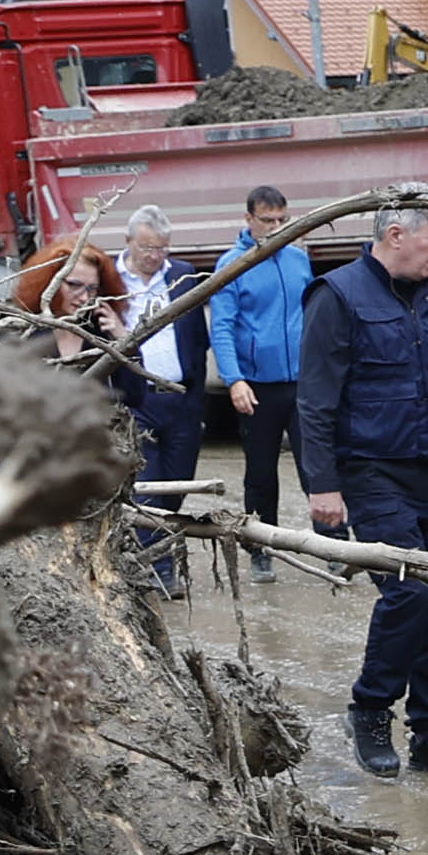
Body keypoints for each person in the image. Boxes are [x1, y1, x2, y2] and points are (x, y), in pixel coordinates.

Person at [297, 189, 428, 778]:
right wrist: (322, 487)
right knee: (410, 589)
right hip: (371, 472)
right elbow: (315, 401)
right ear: (395, 236)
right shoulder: (338, 296)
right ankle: (370, 709)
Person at [107, 208, 210, 587]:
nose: (155, 255)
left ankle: (154, 550)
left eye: (163, 247)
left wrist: (197, 397)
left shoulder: (183, 275)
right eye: (148, 247)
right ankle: (158, 570)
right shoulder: (109, 278)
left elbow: (199, 339)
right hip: (138, 399)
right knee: (147, 486)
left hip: (181, 399)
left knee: (178, 484)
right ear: (129, 241)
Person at [208, 183, 309, 524]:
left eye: (282, 219)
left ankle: (334, 544)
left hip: (301, 381)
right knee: (261, 471)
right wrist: (234, 380)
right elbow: (221, 327)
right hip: (257, 386)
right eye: (268, 220)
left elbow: (310, 316)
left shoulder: (298, 260)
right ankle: (259, 548)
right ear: (249, 218)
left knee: (317, 466)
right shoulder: (232, 265)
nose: (276, 228)